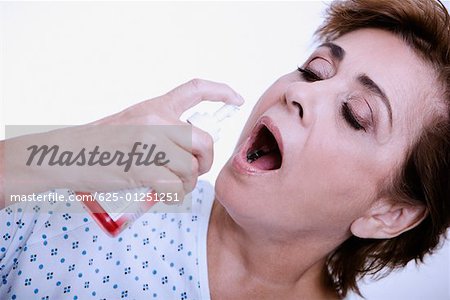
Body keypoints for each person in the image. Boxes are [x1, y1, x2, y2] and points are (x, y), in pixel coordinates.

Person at [1, 0, 449, 299]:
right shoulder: (109, 190)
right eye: (315, 70)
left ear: (389, 213)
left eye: (355, 113)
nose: (302, 94)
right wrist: (80, 150)